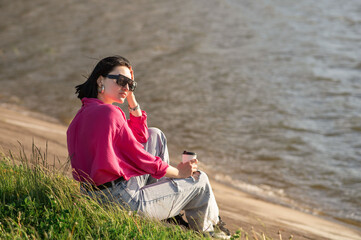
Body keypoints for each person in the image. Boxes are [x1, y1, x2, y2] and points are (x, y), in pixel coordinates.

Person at [66, 55, 230, 238]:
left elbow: (141, 137)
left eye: (130, 84)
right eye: (121, 81)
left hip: (93, 195)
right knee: (200, 181)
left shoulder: (84, 113)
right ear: (100, 79)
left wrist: (131, 99)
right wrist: (179, 174)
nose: (126, 87)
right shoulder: (110, 113)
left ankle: (167, 214)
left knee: (155, 135)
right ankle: (211, 233)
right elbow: (139, 157)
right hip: (121, 201)